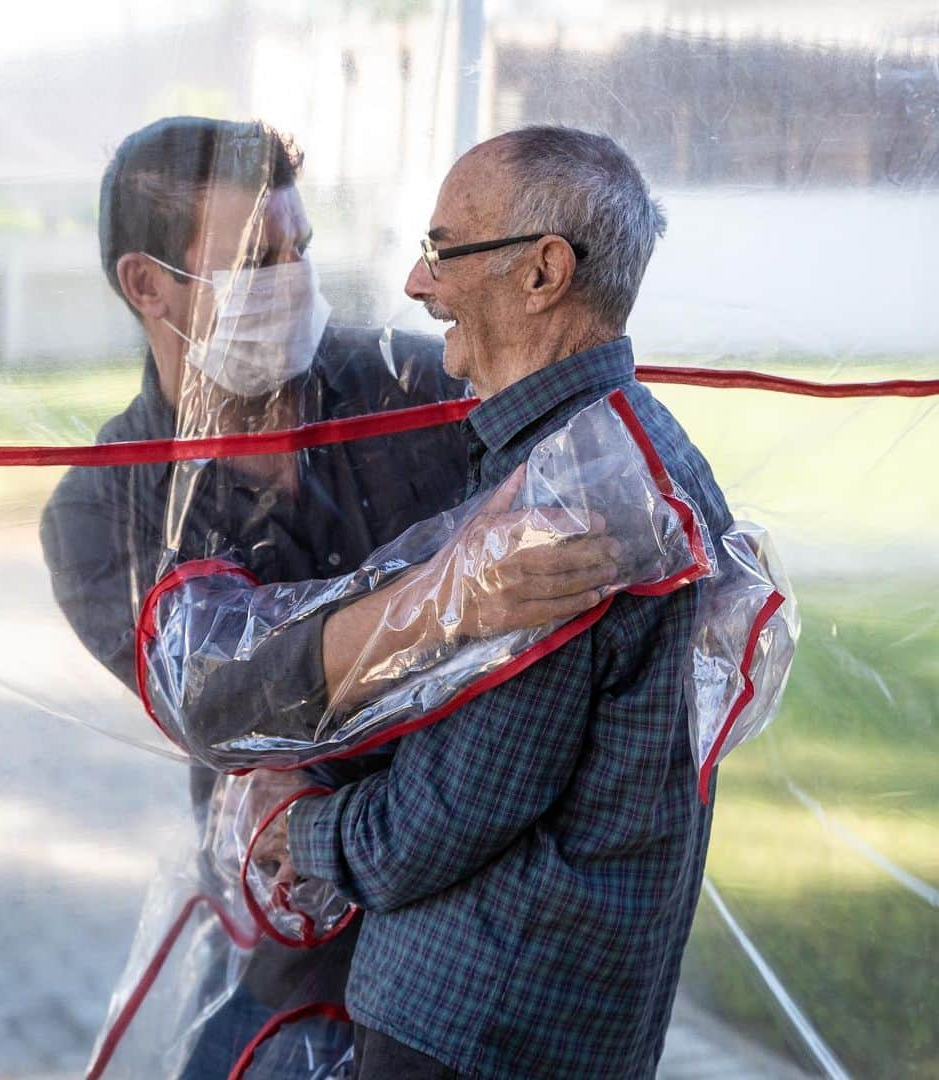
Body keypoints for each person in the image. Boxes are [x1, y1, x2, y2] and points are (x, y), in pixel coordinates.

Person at [39, 117, 619, 1076]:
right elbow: (225, 696)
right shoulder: (103, 510)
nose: (292, 279)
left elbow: (575, 518)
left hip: (475, 928)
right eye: (254, 260)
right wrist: (450, 600)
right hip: (291, 933)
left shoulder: (424, 391)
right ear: (147, 285)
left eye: (300, 246)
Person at [284, 126, 734, 1079]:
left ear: (542, 273)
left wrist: (288, 823)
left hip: (477, 1031)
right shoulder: (606, 447)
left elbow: (434, 823)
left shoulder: (570, 496)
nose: (417, 283)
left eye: (443, 250)